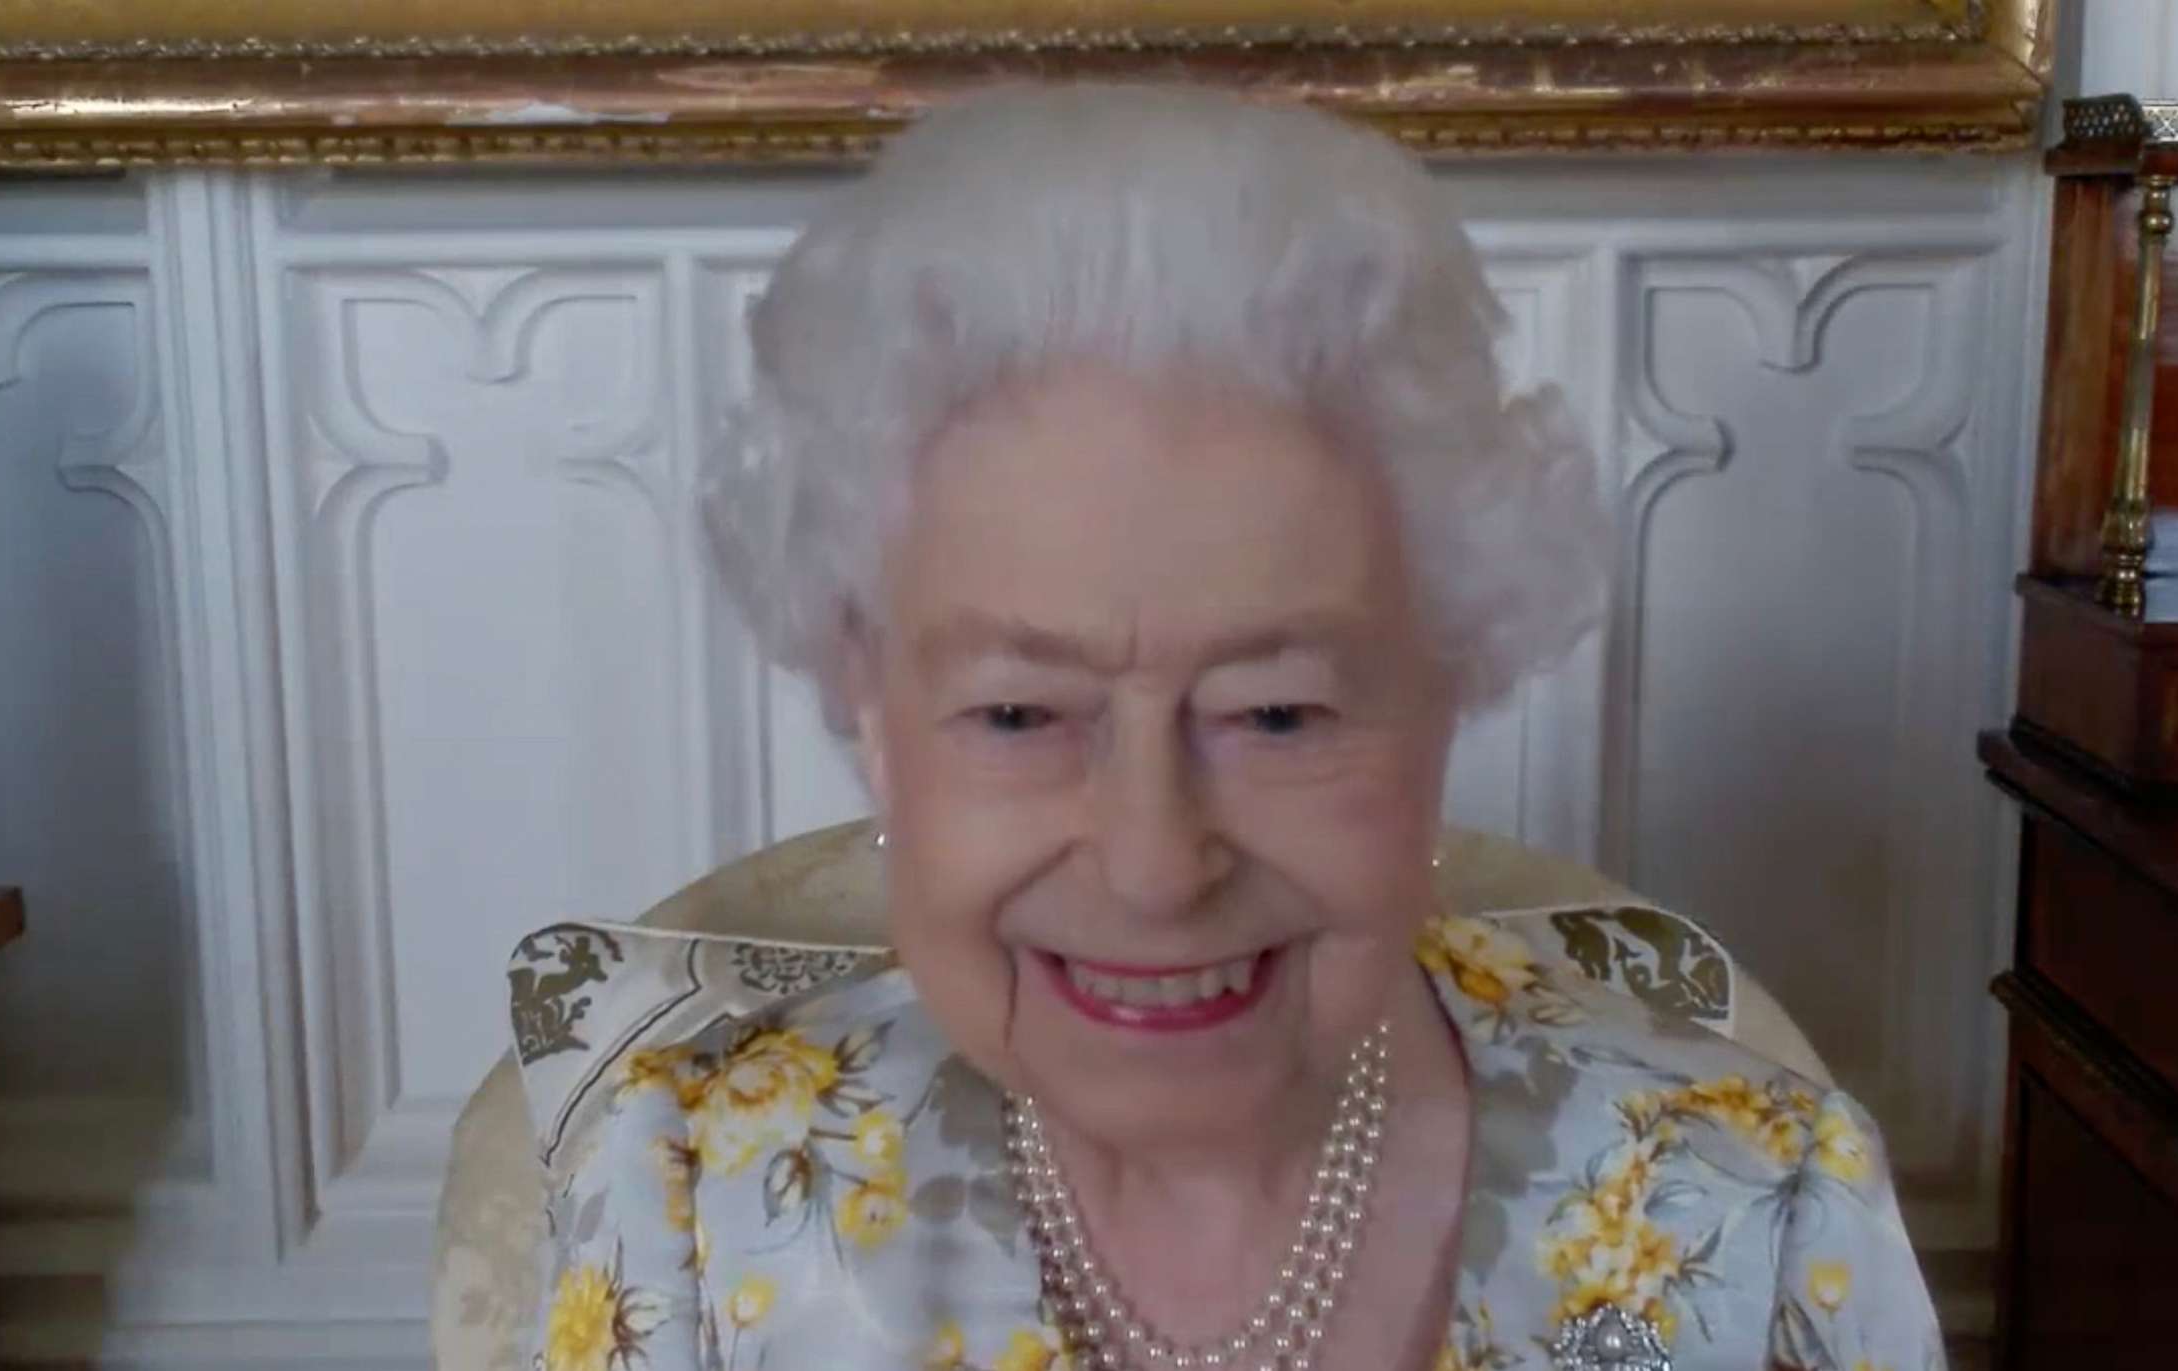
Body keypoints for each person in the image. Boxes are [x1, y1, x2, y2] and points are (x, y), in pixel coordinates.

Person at [530, 83, 1944, 1371]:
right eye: (1020, 712)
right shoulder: (690, 1200)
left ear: (1447, 689)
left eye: (1276, 713)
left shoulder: (1753, 1211)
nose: (1154, 863)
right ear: (870, 710)